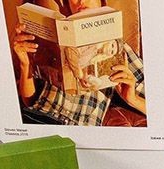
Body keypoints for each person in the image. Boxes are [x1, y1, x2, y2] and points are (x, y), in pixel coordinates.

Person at [12, 0, 146, 126]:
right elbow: (29, 101)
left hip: (79, 129)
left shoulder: (116, 47)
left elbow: (157, 110)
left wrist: (133, 99)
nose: (81, 1)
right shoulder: (53, 40)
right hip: (38, 118)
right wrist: (25, 64)